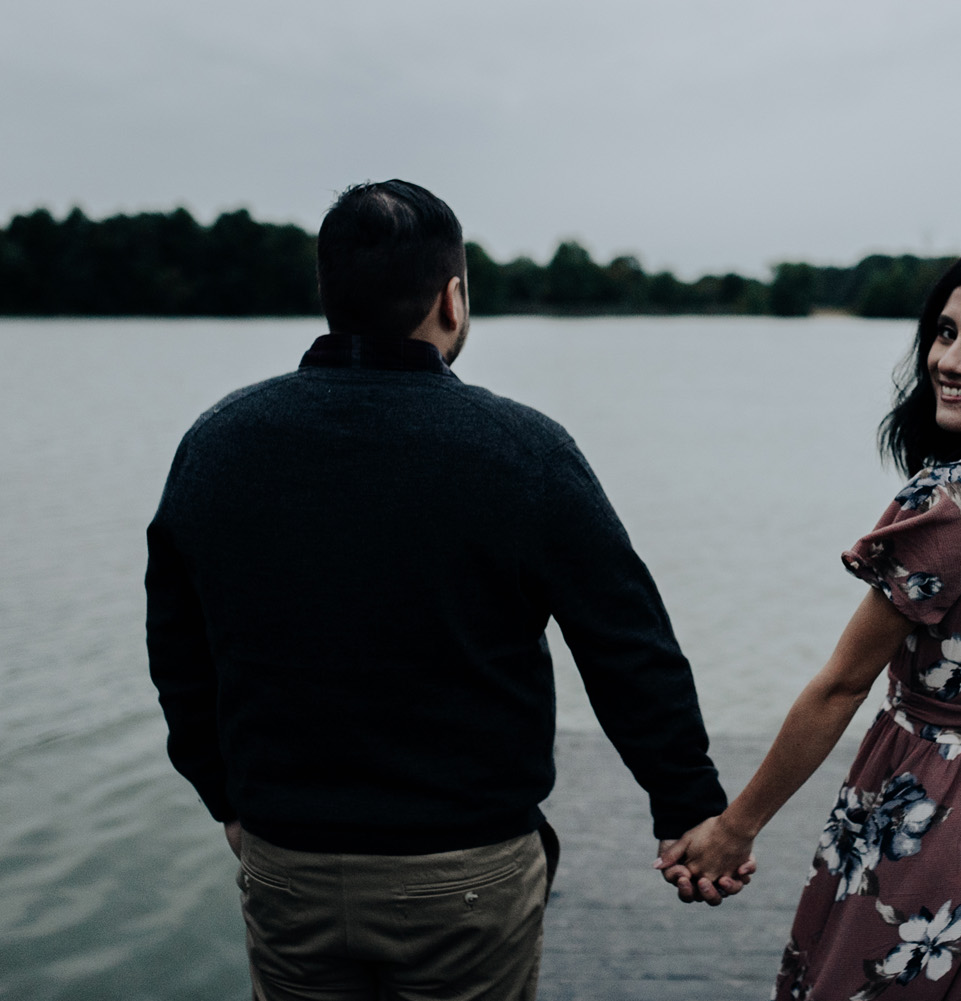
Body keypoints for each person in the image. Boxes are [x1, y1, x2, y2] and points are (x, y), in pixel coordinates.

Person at [145, 179, 737, 1001]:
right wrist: (688, 805)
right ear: (452, 299)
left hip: (286, 862)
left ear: (329, 298)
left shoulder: (218, 443)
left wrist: (226, 798)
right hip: (463, 871)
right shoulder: (522, 451)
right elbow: (625, 643)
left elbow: (177, 649)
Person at [656, 244, 961, 999]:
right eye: (944, 331)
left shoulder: (957, 501)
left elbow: (841, 686)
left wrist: (734, 827)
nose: (950, 359)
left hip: (941, 834)